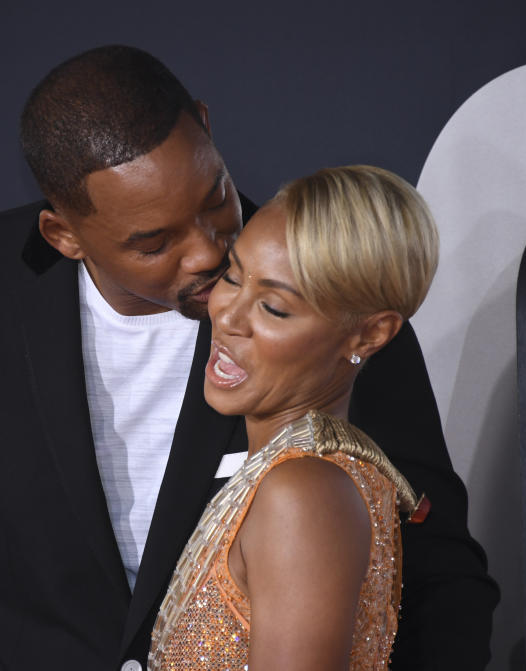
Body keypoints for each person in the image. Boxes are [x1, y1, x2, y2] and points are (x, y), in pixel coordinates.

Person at [0, 45, 498, 670]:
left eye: (215, 199)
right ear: (65, 234)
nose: (209, 254)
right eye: (154, 243)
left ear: (205, 127)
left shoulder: (331, 300)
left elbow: (440, 580)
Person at [150, 165, 435, 670]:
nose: (229, 316)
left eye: (275, 309)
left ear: (369, 336)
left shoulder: (302, 493)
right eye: (232, 277)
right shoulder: (309, 475)